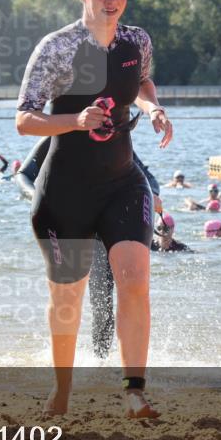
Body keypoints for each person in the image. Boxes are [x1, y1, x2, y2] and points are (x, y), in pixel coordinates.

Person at [15, 0, 173, 418]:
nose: (112, 0)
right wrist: (75, 120)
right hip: (65, 191)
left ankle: (134, 390)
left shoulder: (135, 41)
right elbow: (24, 120)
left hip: (122, 182)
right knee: (68, 296)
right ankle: (62, 390)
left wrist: (153, 108)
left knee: (135, 280)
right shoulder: (57, 48)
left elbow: (143, 83)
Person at [17, 135, 164, 360]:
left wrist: (151, 193)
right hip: (74, 229)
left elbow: (148, 178)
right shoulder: (55, 139)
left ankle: (107, 362)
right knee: (82, 300)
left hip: (111, 230)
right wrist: (37, 195)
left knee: (113, 296)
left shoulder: (112, 138)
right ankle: (86, 361)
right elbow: (23, 175)